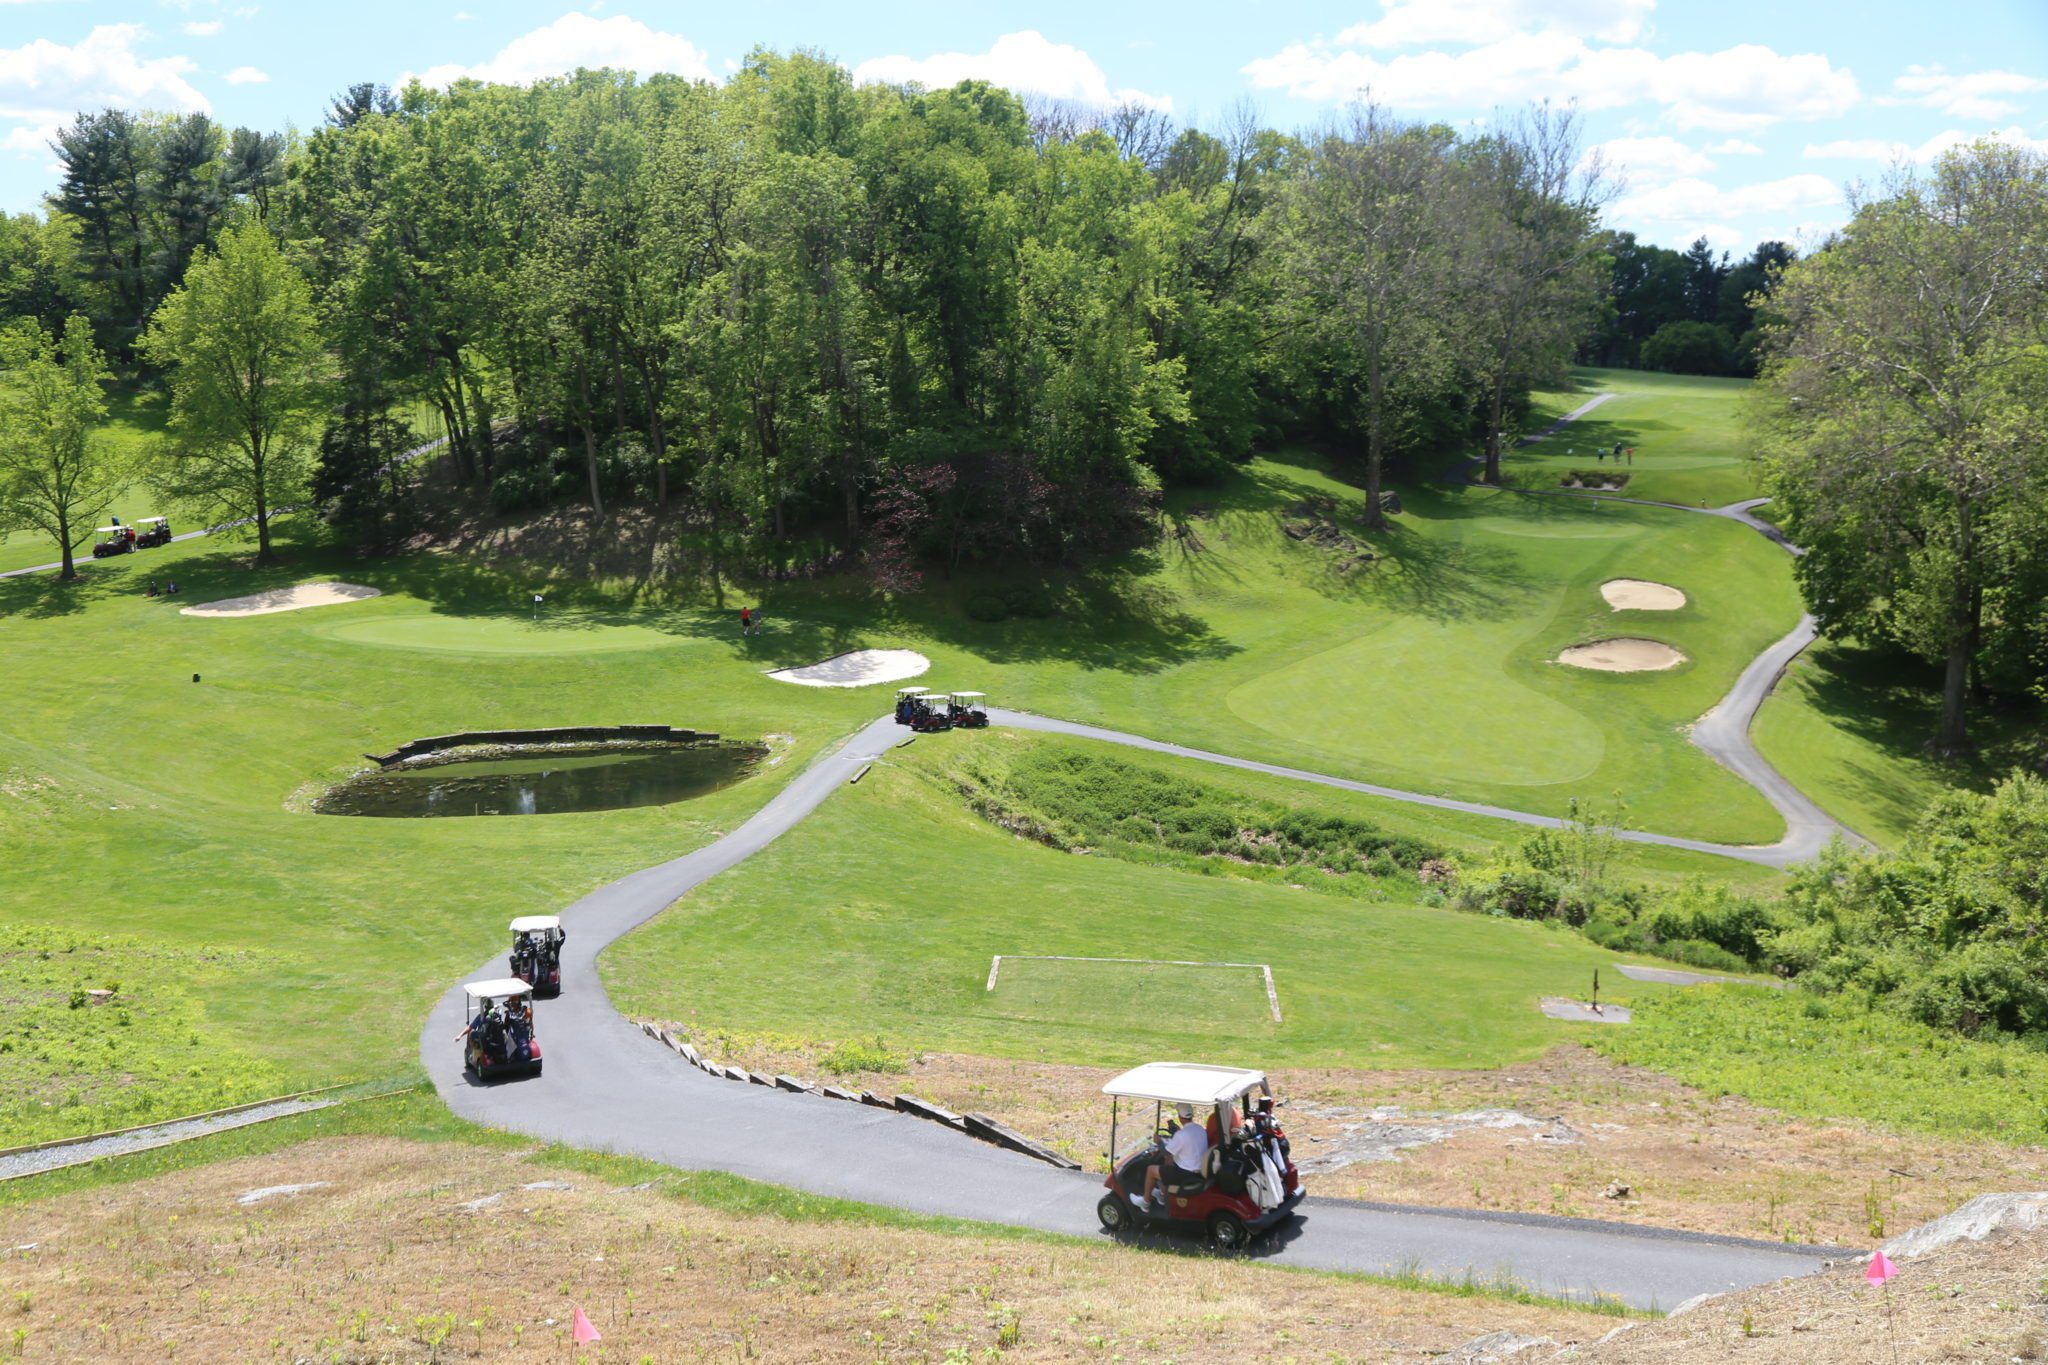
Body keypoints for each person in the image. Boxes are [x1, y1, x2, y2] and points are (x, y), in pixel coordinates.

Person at [1141, 1103, 1211, 1208]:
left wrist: (1159, 1141)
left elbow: (1165, 1152)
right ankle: (1163, 1195)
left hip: (1185, 1175)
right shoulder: (1200, 1128)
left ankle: (1145, 1202)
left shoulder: (1181, 1135)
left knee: (1151, 1170)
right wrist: (1177, 1132)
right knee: (1168, 1160)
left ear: (1179, 1116)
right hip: (1197, 1170)